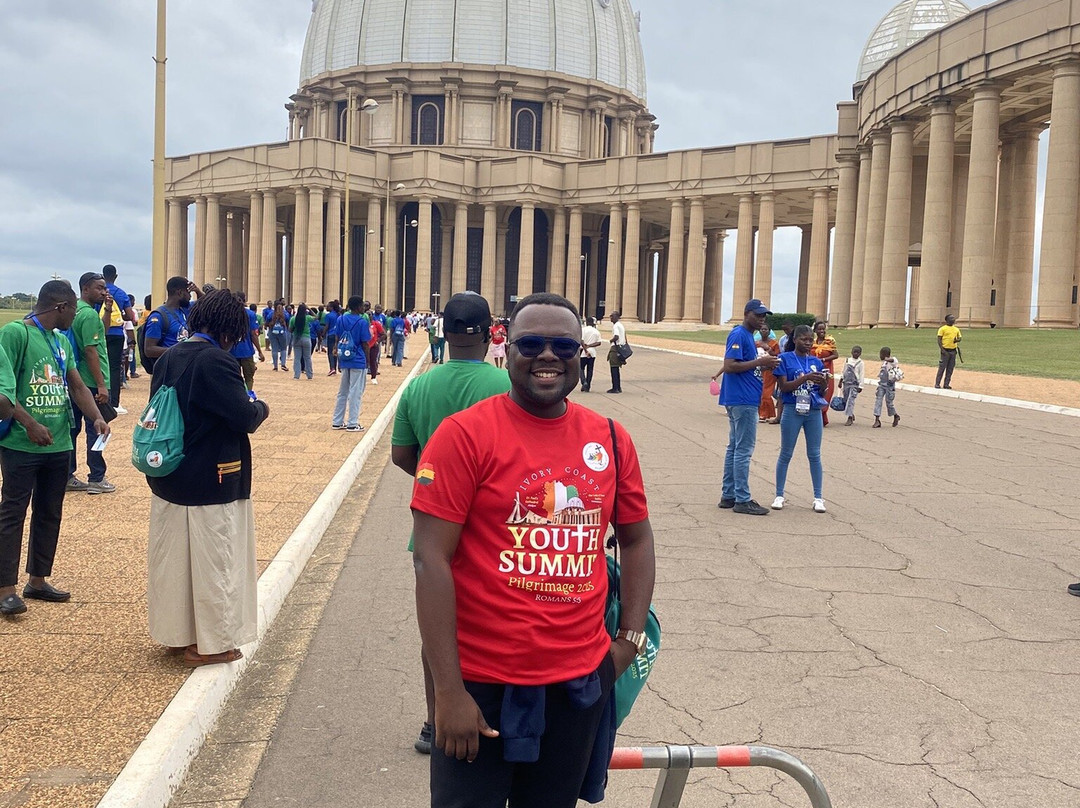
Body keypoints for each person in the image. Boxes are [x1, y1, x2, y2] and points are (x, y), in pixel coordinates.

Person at [412, 292, 655, 807]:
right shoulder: (463, 437)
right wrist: (448, 693)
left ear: (579, 352)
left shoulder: (610, 439)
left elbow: (635, 538)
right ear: (507, 347)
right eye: (532, 343)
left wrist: (628, 640)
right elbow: (430, 560)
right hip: (482, 683)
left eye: (563, 344)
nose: (548, 355)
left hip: (577, 682)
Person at [391, 292, 510, 756]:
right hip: (493, 529)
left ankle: (432, 719)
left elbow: (402, 455)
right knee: (494, 624)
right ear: (487, 333)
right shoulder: (503, 384)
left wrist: (436, 485)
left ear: (442, 332)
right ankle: (497, 718)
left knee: (437, 631)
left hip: (433, 527)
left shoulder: (419, 387)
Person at [145, 290, 270, 666]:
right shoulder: (217, 361)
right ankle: (210, 643)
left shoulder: (171, 356)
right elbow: (243, 417)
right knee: (216, 560)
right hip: (212, 476)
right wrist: (260, 406)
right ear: (230, 328)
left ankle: (177, 633)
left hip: (172, 473)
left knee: (175, 563)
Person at [0, 281, 109, 616]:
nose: (75, 316)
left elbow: (75, 384)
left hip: (59, 442)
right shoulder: (15, 334)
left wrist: (95, 418)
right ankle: (5, 588)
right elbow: (3, 393)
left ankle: (37, 579)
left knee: (50, 511)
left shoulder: (62, 340)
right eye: (73, 309)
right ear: (61, 306)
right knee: (13, 513)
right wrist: (29, 424)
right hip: (22, 443)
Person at [713, 300, 780, 516]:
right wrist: (760, 363)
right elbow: (731, 365)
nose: (762, 319)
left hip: (742, 398)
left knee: (734, 447)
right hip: (742, 400)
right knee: (743, 449)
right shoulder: (739, 334)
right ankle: (742, 498)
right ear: (746, 314)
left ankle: (729, 495)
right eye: (758, 314)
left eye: (764, 315)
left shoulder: (750, 338)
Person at [771, 324, 828, 513]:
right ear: (794, 339)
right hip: (792, 408)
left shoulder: (816, 361)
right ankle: (779, 495)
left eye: (810, 340)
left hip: (812, 411)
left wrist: (822, 384)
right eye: (804, 339)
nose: (808, 343)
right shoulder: (784, 359)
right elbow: (784, 388)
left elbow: (821, 391)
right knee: (786, 453)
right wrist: (806, 378)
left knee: (814, 454)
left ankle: (818, 497)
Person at [68, 272, 114, 494]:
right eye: (99, 288)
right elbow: (90, 350)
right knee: (98, 428)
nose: (104, 291)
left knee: (73, 429)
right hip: (91, 382)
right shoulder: (88, 316)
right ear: (85, 289)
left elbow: (101, 334)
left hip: (77, 380)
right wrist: (101, 384)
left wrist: (107, 309)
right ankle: (96, 477)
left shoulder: (81, 311)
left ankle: (67, 475)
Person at [331, 296, 372, 432]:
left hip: (344, 358)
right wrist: (367, 361)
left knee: (342, 391)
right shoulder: (362, 322)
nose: (363, 308)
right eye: (362, 306)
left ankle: (337, 421)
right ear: (358, 307)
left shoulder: (340, 319)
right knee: (356, 392)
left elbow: (337, 338)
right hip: (358, 359)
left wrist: (337, 355)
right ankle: (353, 422)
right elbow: (365, 343)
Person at [101, 264, 137, 414]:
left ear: (102, 276)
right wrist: (118, 317)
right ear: (116, 276)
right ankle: (114, 402)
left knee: (99, 365)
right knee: (115, 368)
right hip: (116, 333)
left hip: (100, 332)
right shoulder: (121, 294)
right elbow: (130, 316)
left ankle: (99, 399)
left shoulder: (100, 291)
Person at [143, 276, 199, 364]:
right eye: (188, 293)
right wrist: (180, 351)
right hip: (169, 369)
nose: (190, 297)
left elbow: (206, 305)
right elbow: (149, 349)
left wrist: (197, 291)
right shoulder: (159, 316)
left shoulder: (185, 310)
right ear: (180, 293)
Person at [229, 291, 265, 392]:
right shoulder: (250, 314)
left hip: (231, 351)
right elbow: (253, 334)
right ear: (244, 299)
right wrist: (260, 351)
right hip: (246, 350)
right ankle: (247, 394)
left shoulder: (228, 313)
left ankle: (235, 395)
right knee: (249, 377)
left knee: (232, 377)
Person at [810, 320, 839, 427]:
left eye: (823, 329)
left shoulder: (830, 341)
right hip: (815, 370)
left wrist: (824, 359)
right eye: (819, 329)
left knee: (827, 392)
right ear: (815, 330)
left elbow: (836, 355)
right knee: (815, 392)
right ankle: (817, 418)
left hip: (827, 371)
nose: (822, 331)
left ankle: (822, 414)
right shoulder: (813, 342)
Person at [757, 323, 780, 422]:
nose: (764, 331)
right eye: (762, 329)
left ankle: (763, 414)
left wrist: (768, 349)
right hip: (759, 370)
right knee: (759, 392)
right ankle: (768, 413)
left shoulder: (774, 343)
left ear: (769, 331)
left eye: (766, 329)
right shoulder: (756, 343)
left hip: (770, 371)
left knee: (766, 393)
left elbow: (777, 355)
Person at [873, 347, 901, 428]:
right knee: (878, 401)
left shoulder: (892, 362)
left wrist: (886, 359)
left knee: (889, 403)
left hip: (889, 386)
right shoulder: (884, 364)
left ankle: (895, 415)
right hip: (882, 385)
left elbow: (893, 360)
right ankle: (877, 420)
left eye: (881, 354)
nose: (880, 356)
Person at [935, 314, 961, 389]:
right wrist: (942, 350)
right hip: (945, 350)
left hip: (953, 351)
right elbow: (939, 339)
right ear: (947, 320)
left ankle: (946, 384)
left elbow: (959, 337)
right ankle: (937, 383)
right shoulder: (942, 329)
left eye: (953, 318)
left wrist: (957, 340)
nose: (953, 319)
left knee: (950, 368)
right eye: (951, 318)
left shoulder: (956, 329)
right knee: (942, 368)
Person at [841, 345, 864, 426]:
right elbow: (844, 371)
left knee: (851, 400)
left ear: (860, 353)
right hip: (846, 383)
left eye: (858, 352)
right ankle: (851, 413)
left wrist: (861, 386)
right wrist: (841, 380)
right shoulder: (847, 360)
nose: (856, 354)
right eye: (854, 352)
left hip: (854, 384)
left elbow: (861, 374)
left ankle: (849, 417)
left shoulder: (860, 363)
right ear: (851, 352)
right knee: (846, 400)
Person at [291, 303, 314, 380]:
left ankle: (296, 375)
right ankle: (309, 375)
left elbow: (290, 330)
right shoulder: (307, 318)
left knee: (297, 358)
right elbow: (316, 317)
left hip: (297, 338)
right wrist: (309, 309)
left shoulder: (293, 319)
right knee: (307, 358)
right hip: (306, 338)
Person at [606, 310, 627, 393]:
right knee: (617, 369)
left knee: (613, 368)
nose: (611, 318)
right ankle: (618, 387)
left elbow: (616, 336)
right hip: (621, 348)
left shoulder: (616, 326)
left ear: (617, 317)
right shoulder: (621, 325)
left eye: (612, 316)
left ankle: (615, 388)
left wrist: (611, 340)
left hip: (615, 348)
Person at [579, 316, 601, 392]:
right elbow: (599, 343)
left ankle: (584, 382)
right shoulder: (596, 331)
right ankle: (588, 385)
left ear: (586, 322)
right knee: (590, 369)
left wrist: (585, 350)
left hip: (583, 351)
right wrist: (590, 346)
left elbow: (581, 341)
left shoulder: (583, 330)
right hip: (592, 351)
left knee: (581, 368)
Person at [267, 305, 290, 371]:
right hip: (282, 332)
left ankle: (275, 366)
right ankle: (283, 364)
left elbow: (267, 321)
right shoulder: (285, 314)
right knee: (283, 348)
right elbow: (288, 322)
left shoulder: (271, 314)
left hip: (272, 332)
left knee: (274, 349)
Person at [324, 300, 341, 377]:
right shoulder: (339, 315)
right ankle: (335, 367)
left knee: (330, 352)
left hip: (331, 334)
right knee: (335, 351)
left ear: (331, 307)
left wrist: (323, 333)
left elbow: (327, 326)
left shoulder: (328, 316)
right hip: (338, 334)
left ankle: (332, 368)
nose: (326, 307)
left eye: (328, 306)